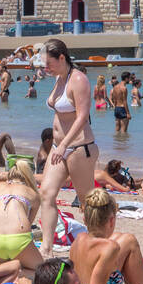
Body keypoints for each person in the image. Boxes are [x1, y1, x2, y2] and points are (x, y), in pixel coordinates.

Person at [38, 40, 97, 257]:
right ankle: (46, 247)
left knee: (86, 202)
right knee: (46, 193)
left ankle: (95, 244)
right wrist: (58, 145)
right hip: (58, 148)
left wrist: (64, 144)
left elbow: (82, 116)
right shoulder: (58, 79)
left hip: (80, 148)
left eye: (49, 63)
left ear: (62, 58)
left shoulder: (78, 79)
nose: (46, 68)